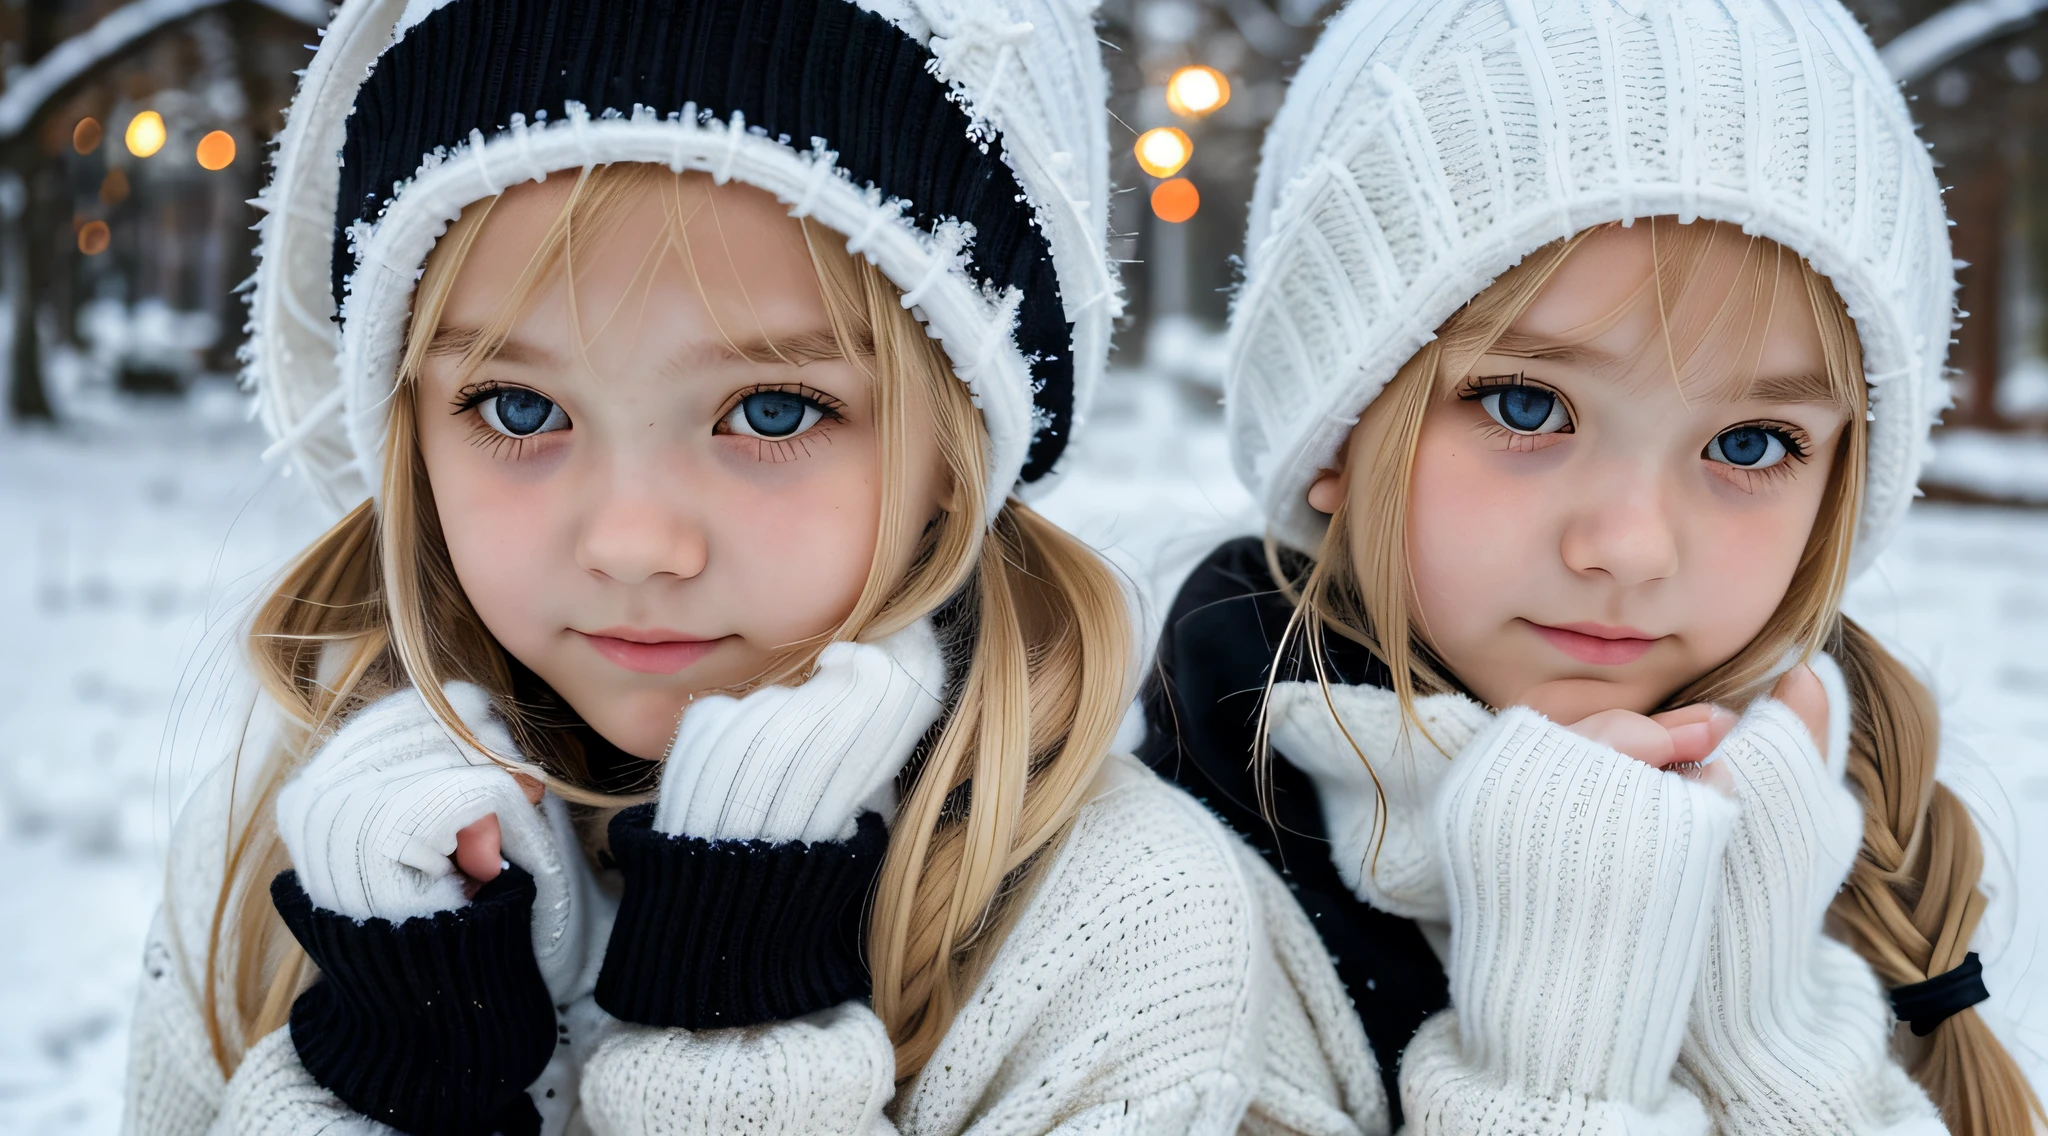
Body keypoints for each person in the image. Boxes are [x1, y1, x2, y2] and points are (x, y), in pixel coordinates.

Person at [122, 2, 1379, 1133]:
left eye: (771, 412)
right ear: (406, 428)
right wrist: (390, 1075)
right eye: (514, 408)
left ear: (960, 448)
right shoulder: (278, 871)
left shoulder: (1111, 916)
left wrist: (737, 1031)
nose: (631, 541)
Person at [1142, 0, 2046, 1133]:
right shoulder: (1162, 904)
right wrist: (1553, 1070)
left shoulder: (1837, 854)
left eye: (1749, 443)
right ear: (1336, 431)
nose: (1626, 546)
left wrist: (1764, 1041)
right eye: (1528, 405)